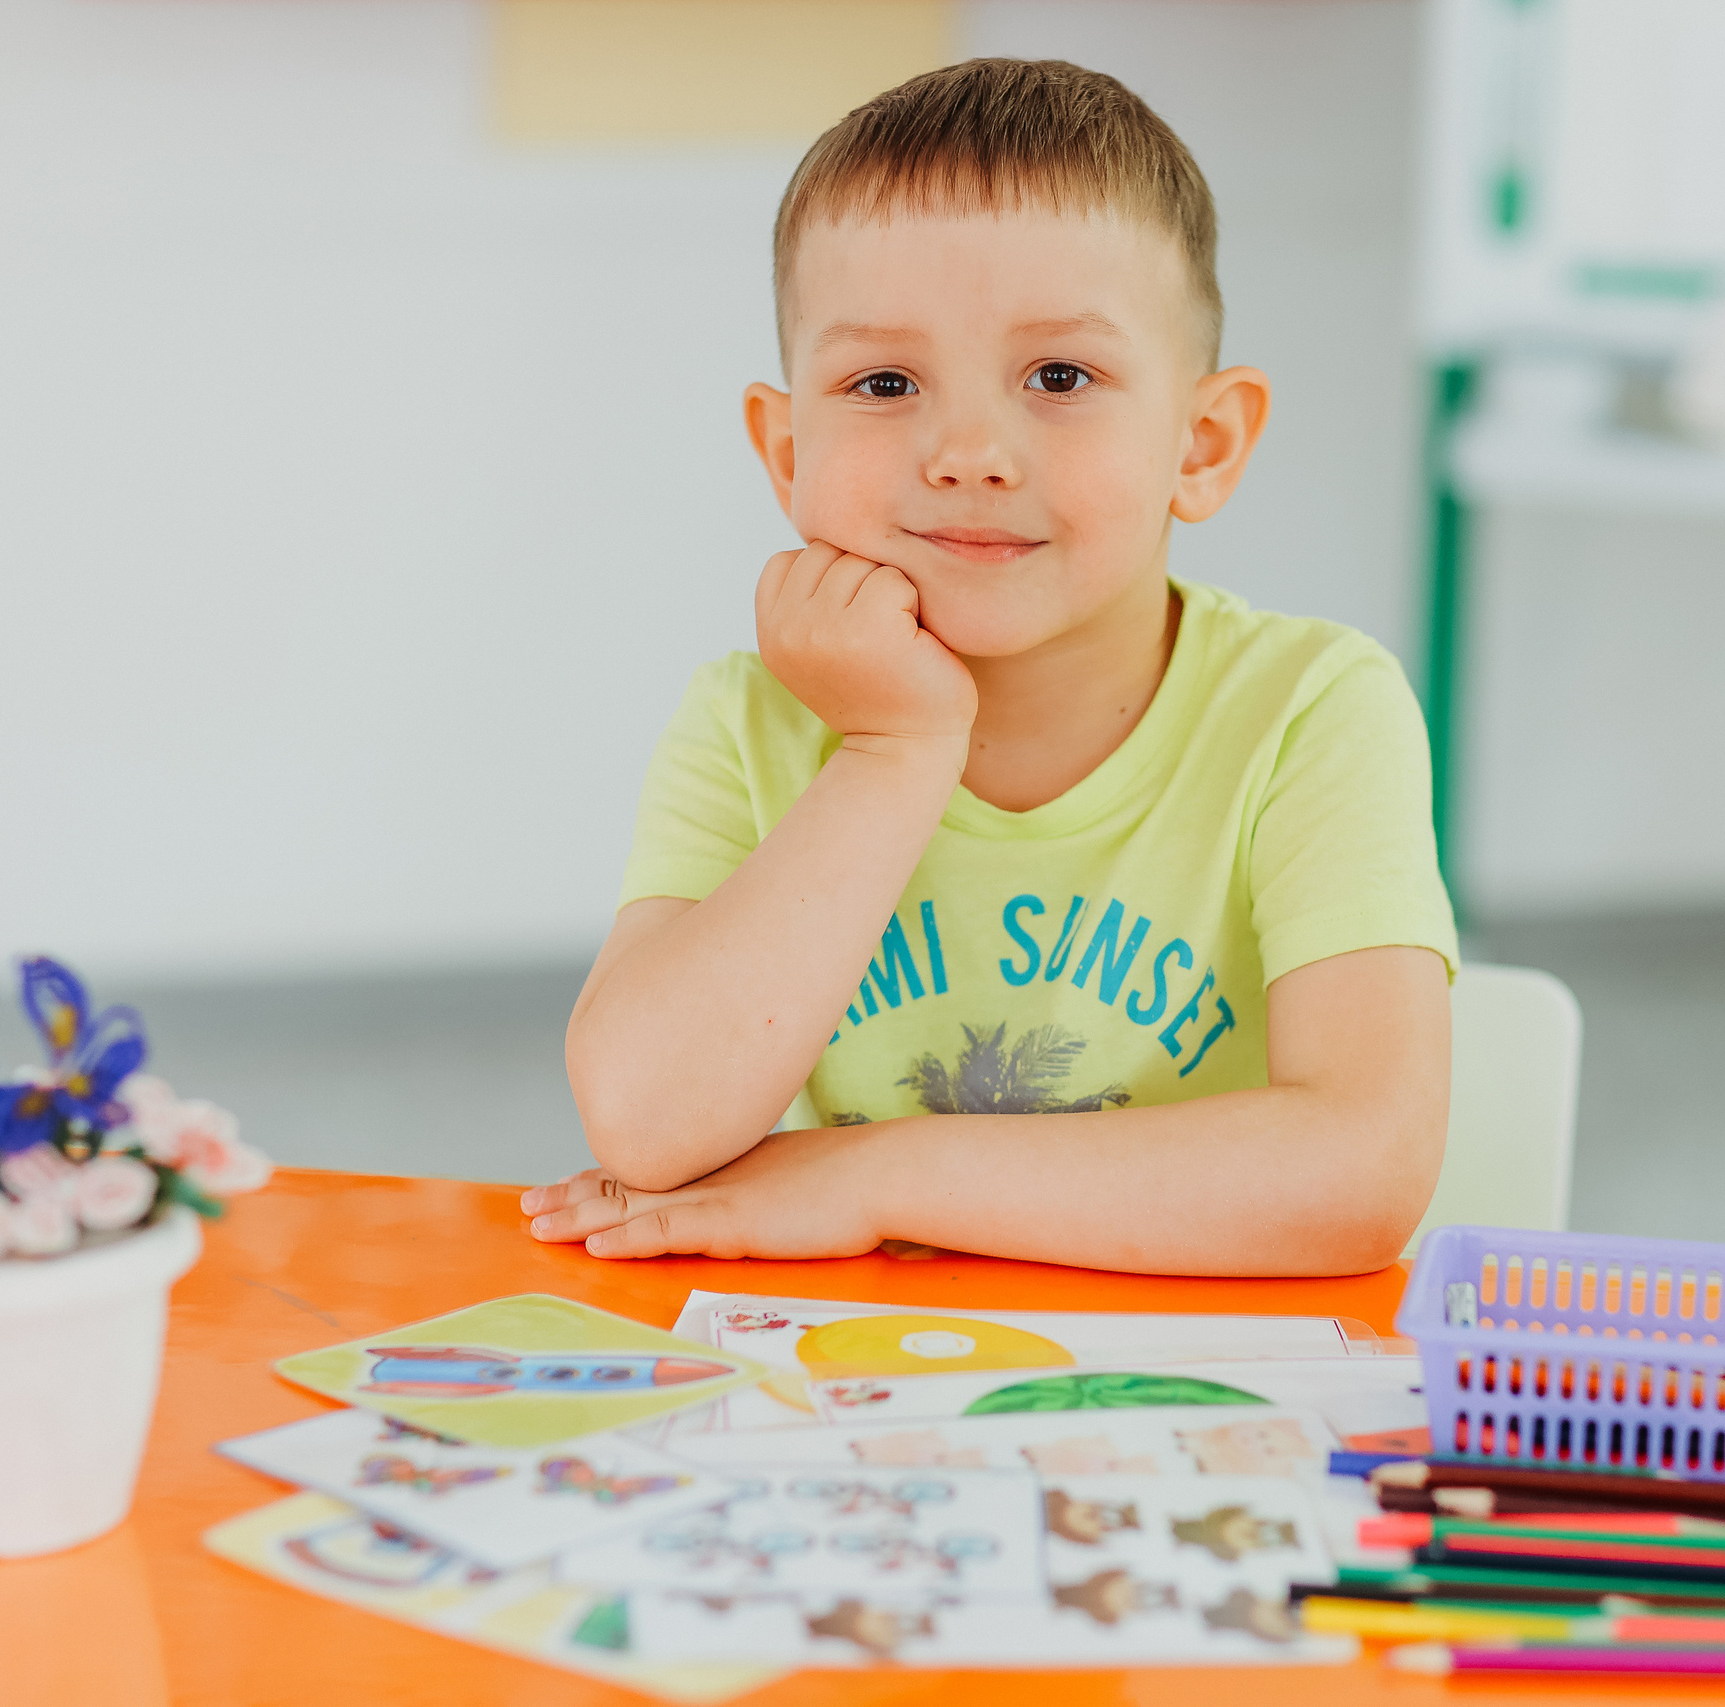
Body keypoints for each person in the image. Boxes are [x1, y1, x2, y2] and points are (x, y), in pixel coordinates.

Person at [524, 58, 1456, 1275]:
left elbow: (1361, 1171)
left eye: (1059, 378)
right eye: (885, 382)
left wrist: (876, 1179)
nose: (966, 451)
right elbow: (646, 1125)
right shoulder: (746, 718)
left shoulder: (1313, 708)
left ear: (1203, 443)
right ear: (786, 447)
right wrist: (892, 749)